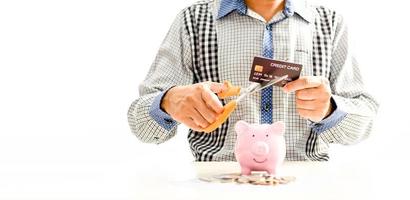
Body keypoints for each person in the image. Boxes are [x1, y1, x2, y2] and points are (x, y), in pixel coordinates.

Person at [127, 0, 379, 161]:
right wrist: (168, 101)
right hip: (216, 185)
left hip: (306, 183)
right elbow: (141, 125)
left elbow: (366, 118)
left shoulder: (330, 24)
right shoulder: (192, 21)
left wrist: (329, 109)